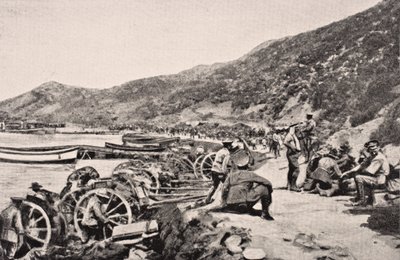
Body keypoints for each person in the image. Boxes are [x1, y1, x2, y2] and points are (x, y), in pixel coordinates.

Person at [221, 154, 274, 220]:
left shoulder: (231, 175)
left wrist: (223, 202)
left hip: (230, 206)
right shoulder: (250, 174)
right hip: (243, 206)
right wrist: (270, 192)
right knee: (264, 188)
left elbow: (224, 188)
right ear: (247, 165)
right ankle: (265, 213)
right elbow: (268, 183)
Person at [341, 140, 390, 207]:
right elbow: (361, 165)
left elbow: (369, 172)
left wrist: (352, 174)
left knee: (359, 177)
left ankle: (361, 200)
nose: (372, 149)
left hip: (380, 180)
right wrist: (348, 172)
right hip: (375, 178)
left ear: (378, 147)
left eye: (374, 147)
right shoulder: (372, 156)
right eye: (370, 147)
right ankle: (361, 198)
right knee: (358, 176)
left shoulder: (379, 158)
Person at [205, 140, 234, 204]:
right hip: (219, 171)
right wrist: (225, 173)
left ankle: (208, 199)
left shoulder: (220, 151)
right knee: (227, 185)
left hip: (214, 170)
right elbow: (224, 164)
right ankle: (224, 201)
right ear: (228, 146)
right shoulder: (227, 153)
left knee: (214, 186)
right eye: (230, 145)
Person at [283, 125, 302, 191]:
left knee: (291, 169)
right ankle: (293, 186)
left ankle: (289, 184)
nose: (298, 129)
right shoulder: (290, 135)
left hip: (293, 154)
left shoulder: (293, 135)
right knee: (296, 169)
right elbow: (285, 142)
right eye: (297, 128)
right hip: (292, 154)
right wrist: (293, 148)